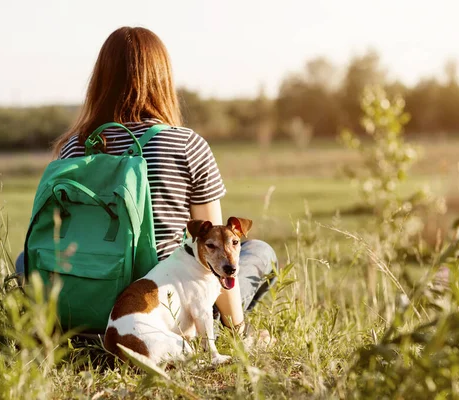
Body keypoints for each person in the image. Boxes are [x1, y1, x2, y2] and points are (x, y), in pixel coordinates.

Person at [16, 26, 277, 335]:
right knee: (259, 251)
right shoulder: (186, 145)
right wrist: (239, 328)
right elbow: (216, 248)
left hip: (84, 298)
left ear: (100, 80)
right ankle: (223, 329)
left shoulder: (74, 149)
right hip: (161, 308)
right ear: (163, 79)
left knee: (25, 260)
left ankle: (67, 323)